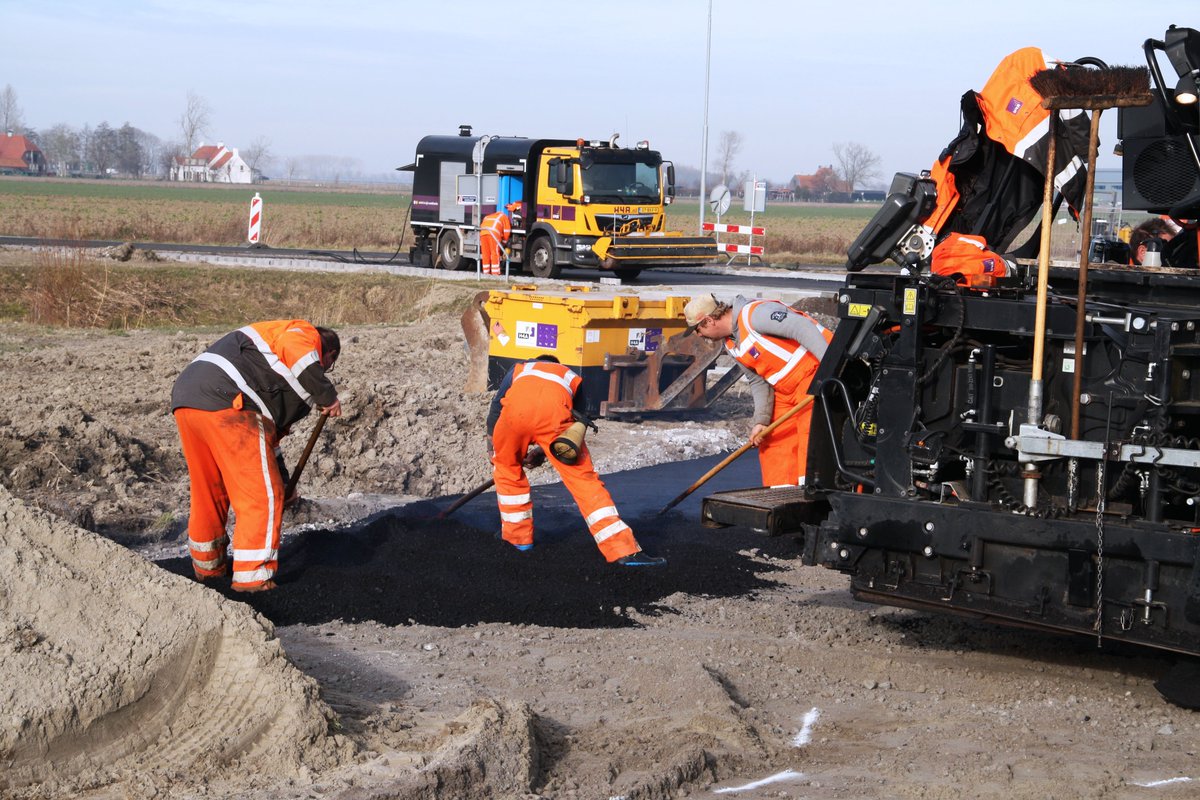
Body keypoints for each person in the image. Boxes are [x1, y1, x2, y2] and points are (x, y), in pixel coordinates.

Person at [171, 320, 342, 592]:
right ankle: (253, 581)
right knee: (262, 496)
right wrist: (327, 395)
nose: (323, 370)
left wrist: (285, 481)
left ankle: (209, 571)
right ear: (329, 354)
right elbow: (294, 347)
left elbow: (266, 441)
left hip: (189, 398)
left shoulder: (267, 362)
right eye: (328, 365)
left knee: (210, 491)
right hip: (230, 400)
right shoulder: (303, 333)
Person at [485, 354, 665, 566]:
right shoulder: (570, 377)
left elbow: (496, 408)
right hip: (554, 418)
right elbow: (575, 428)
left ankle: (517, 539)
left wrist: (493, 449)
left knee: (507, 471)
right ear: (557, 364)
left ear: (536, 360)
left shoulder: (520, 369)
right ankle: (622, 550)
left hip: (513, 416)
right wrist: (546, 451)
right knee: (583, 481)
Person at [685, 293, 832, 487]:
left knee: (809, 430)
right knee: (772, 437)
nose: (698, 335)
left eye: (697, 329)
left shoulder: (754, 315)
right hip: (785, 390)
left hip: (814, 373)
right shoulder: (731, 344)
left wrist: (831, 368)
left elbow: (802, 327)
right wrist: (761, 421)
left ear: (709, 320)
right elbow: (757, 380)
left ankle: (813, 491)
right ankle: (781, 494)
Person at [480, 202, 520, 276]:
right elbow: (507, 232)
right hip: (493, 234)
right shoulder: (504, 217)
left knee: (485, 253)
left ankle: (486, 272)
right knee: (494, 253)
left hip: (483, 233)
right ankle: (495, 272)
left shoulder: (488, 216)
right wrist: (504, 243)